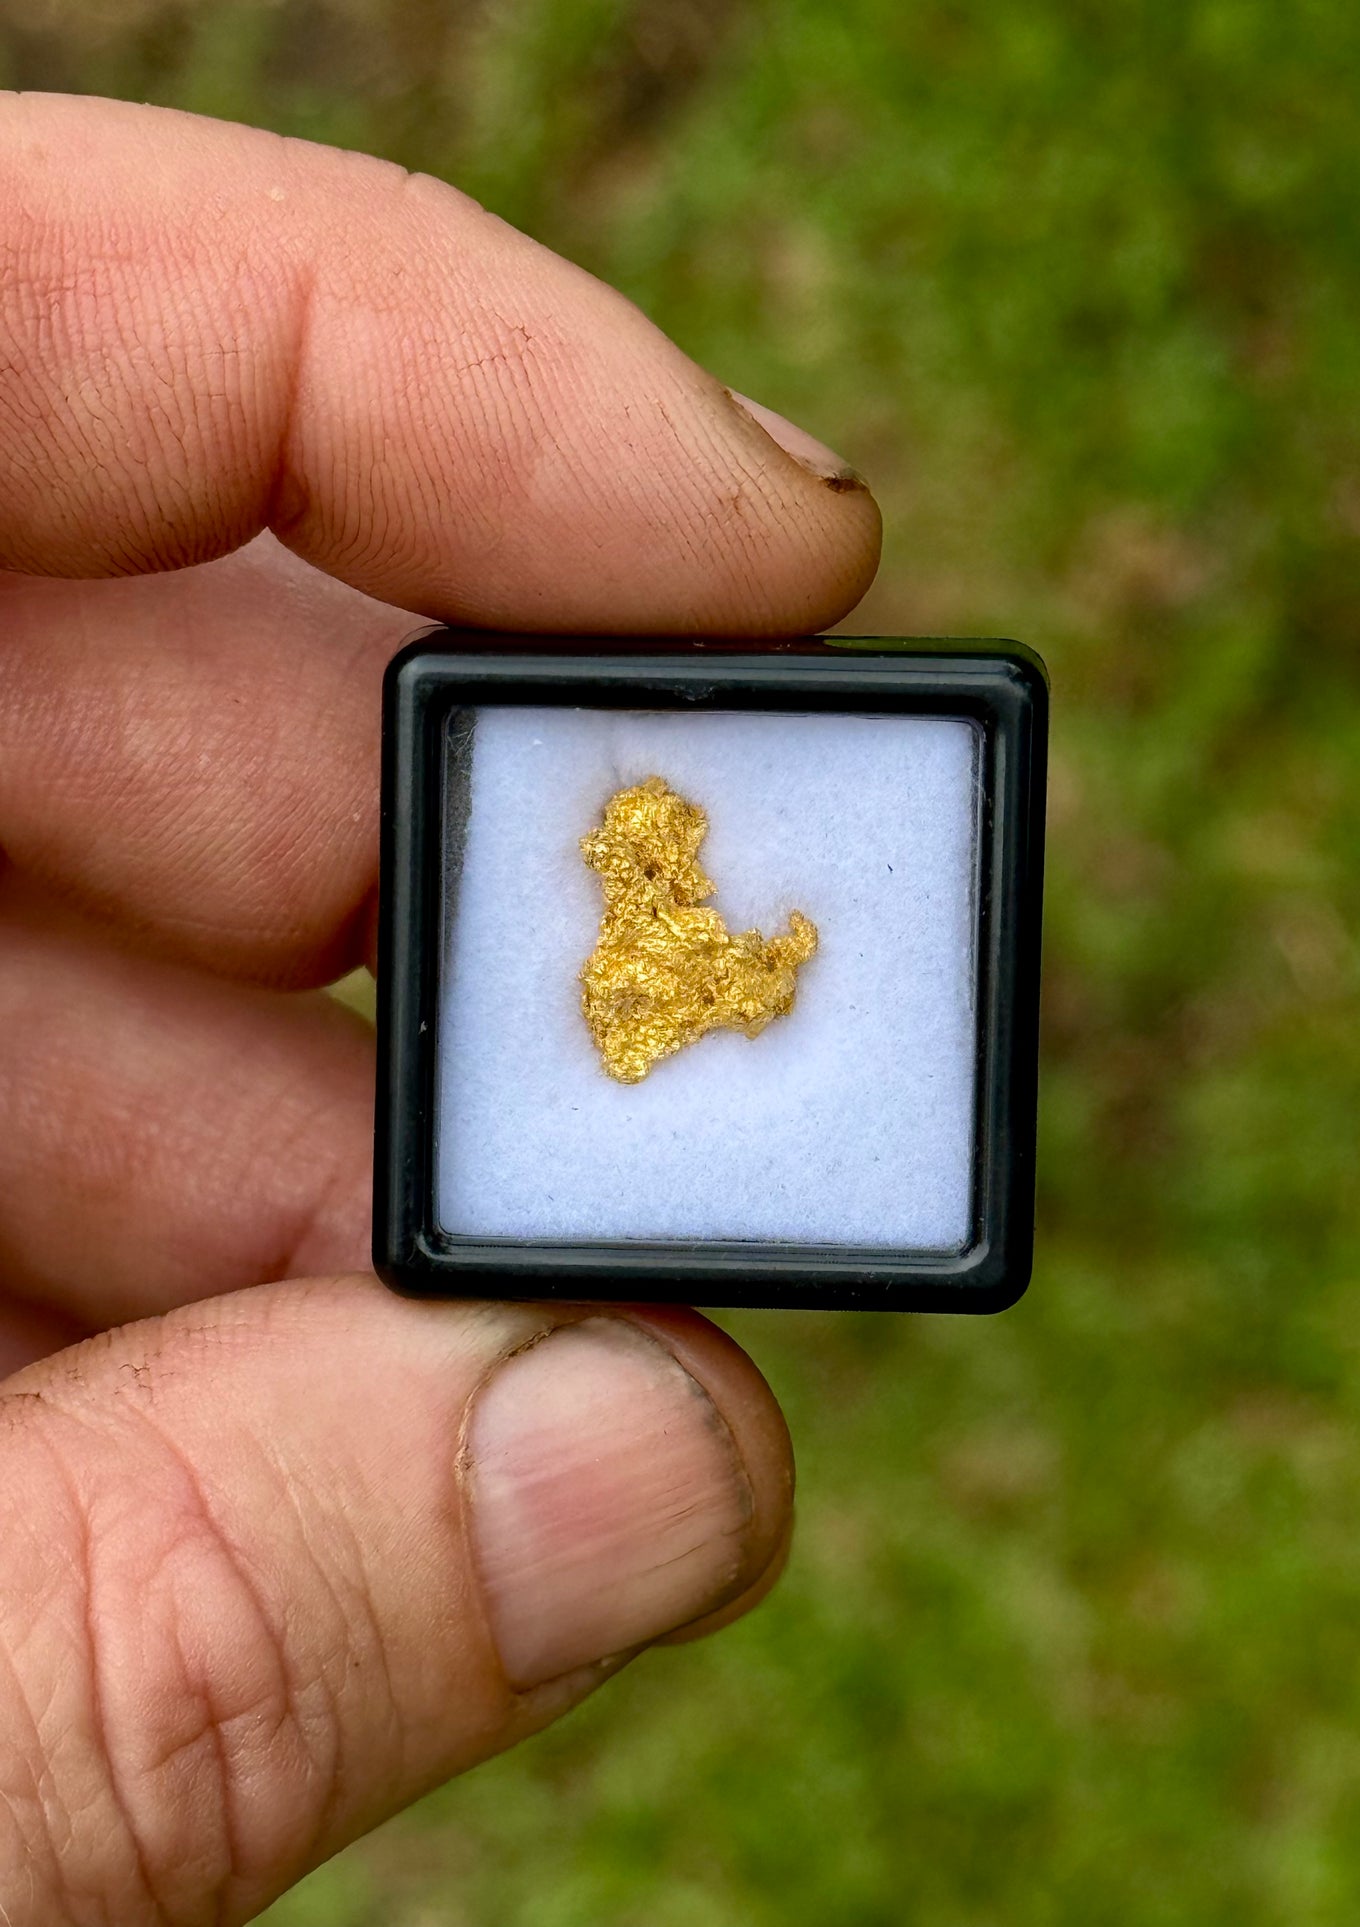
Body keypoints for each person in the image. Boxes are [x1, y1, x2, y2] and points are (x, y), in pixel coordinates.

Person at [0, 92, 882, 1922]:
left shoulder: (662, 916)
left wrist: (763, 964)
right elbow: (668, 995)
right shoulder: (646, 922)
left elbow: (693, 985)